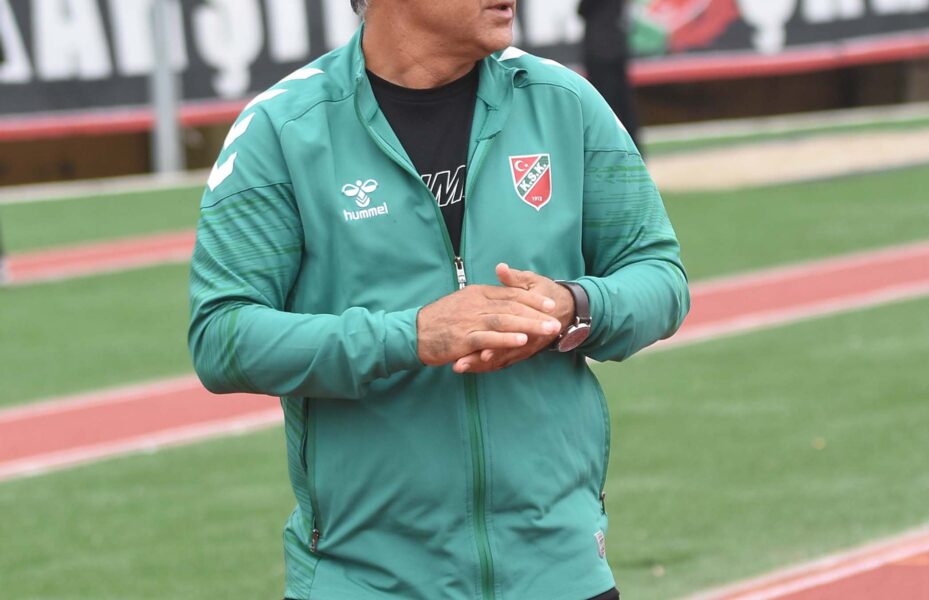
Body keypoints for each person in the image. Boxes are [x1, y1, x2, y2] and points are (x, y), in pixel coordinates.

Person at [188, 0, 689, 598]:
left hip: (559, 570)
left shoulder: (564, 102)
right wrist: (411, 336)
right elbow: (221, 335)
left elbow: (659, 274)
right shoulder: (283, 128)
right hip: (367, 579)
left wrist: (575, 307)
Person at [578, 0, 641, 146]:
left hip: (599, 49)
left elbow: (582, 10)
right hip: (617, 44)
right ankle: (632, 147)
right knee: (623, 104)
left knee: (604, 104)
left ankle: (611, 147)